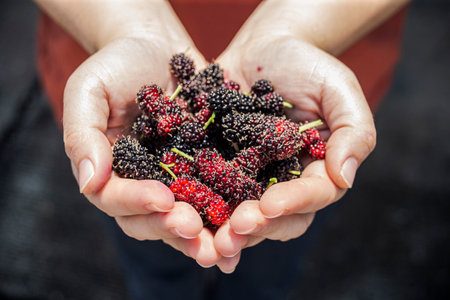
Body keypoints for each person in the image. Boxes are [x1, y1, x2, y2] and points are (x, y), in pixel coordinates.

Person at [34, 0, 409, 298]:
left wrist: (295, 28)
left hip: (328, 47)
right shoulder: (171, 126)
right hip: (102, 27)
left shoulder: (265, 137)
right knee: (153, 250)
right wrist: (128, 26)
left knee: (271, 255)